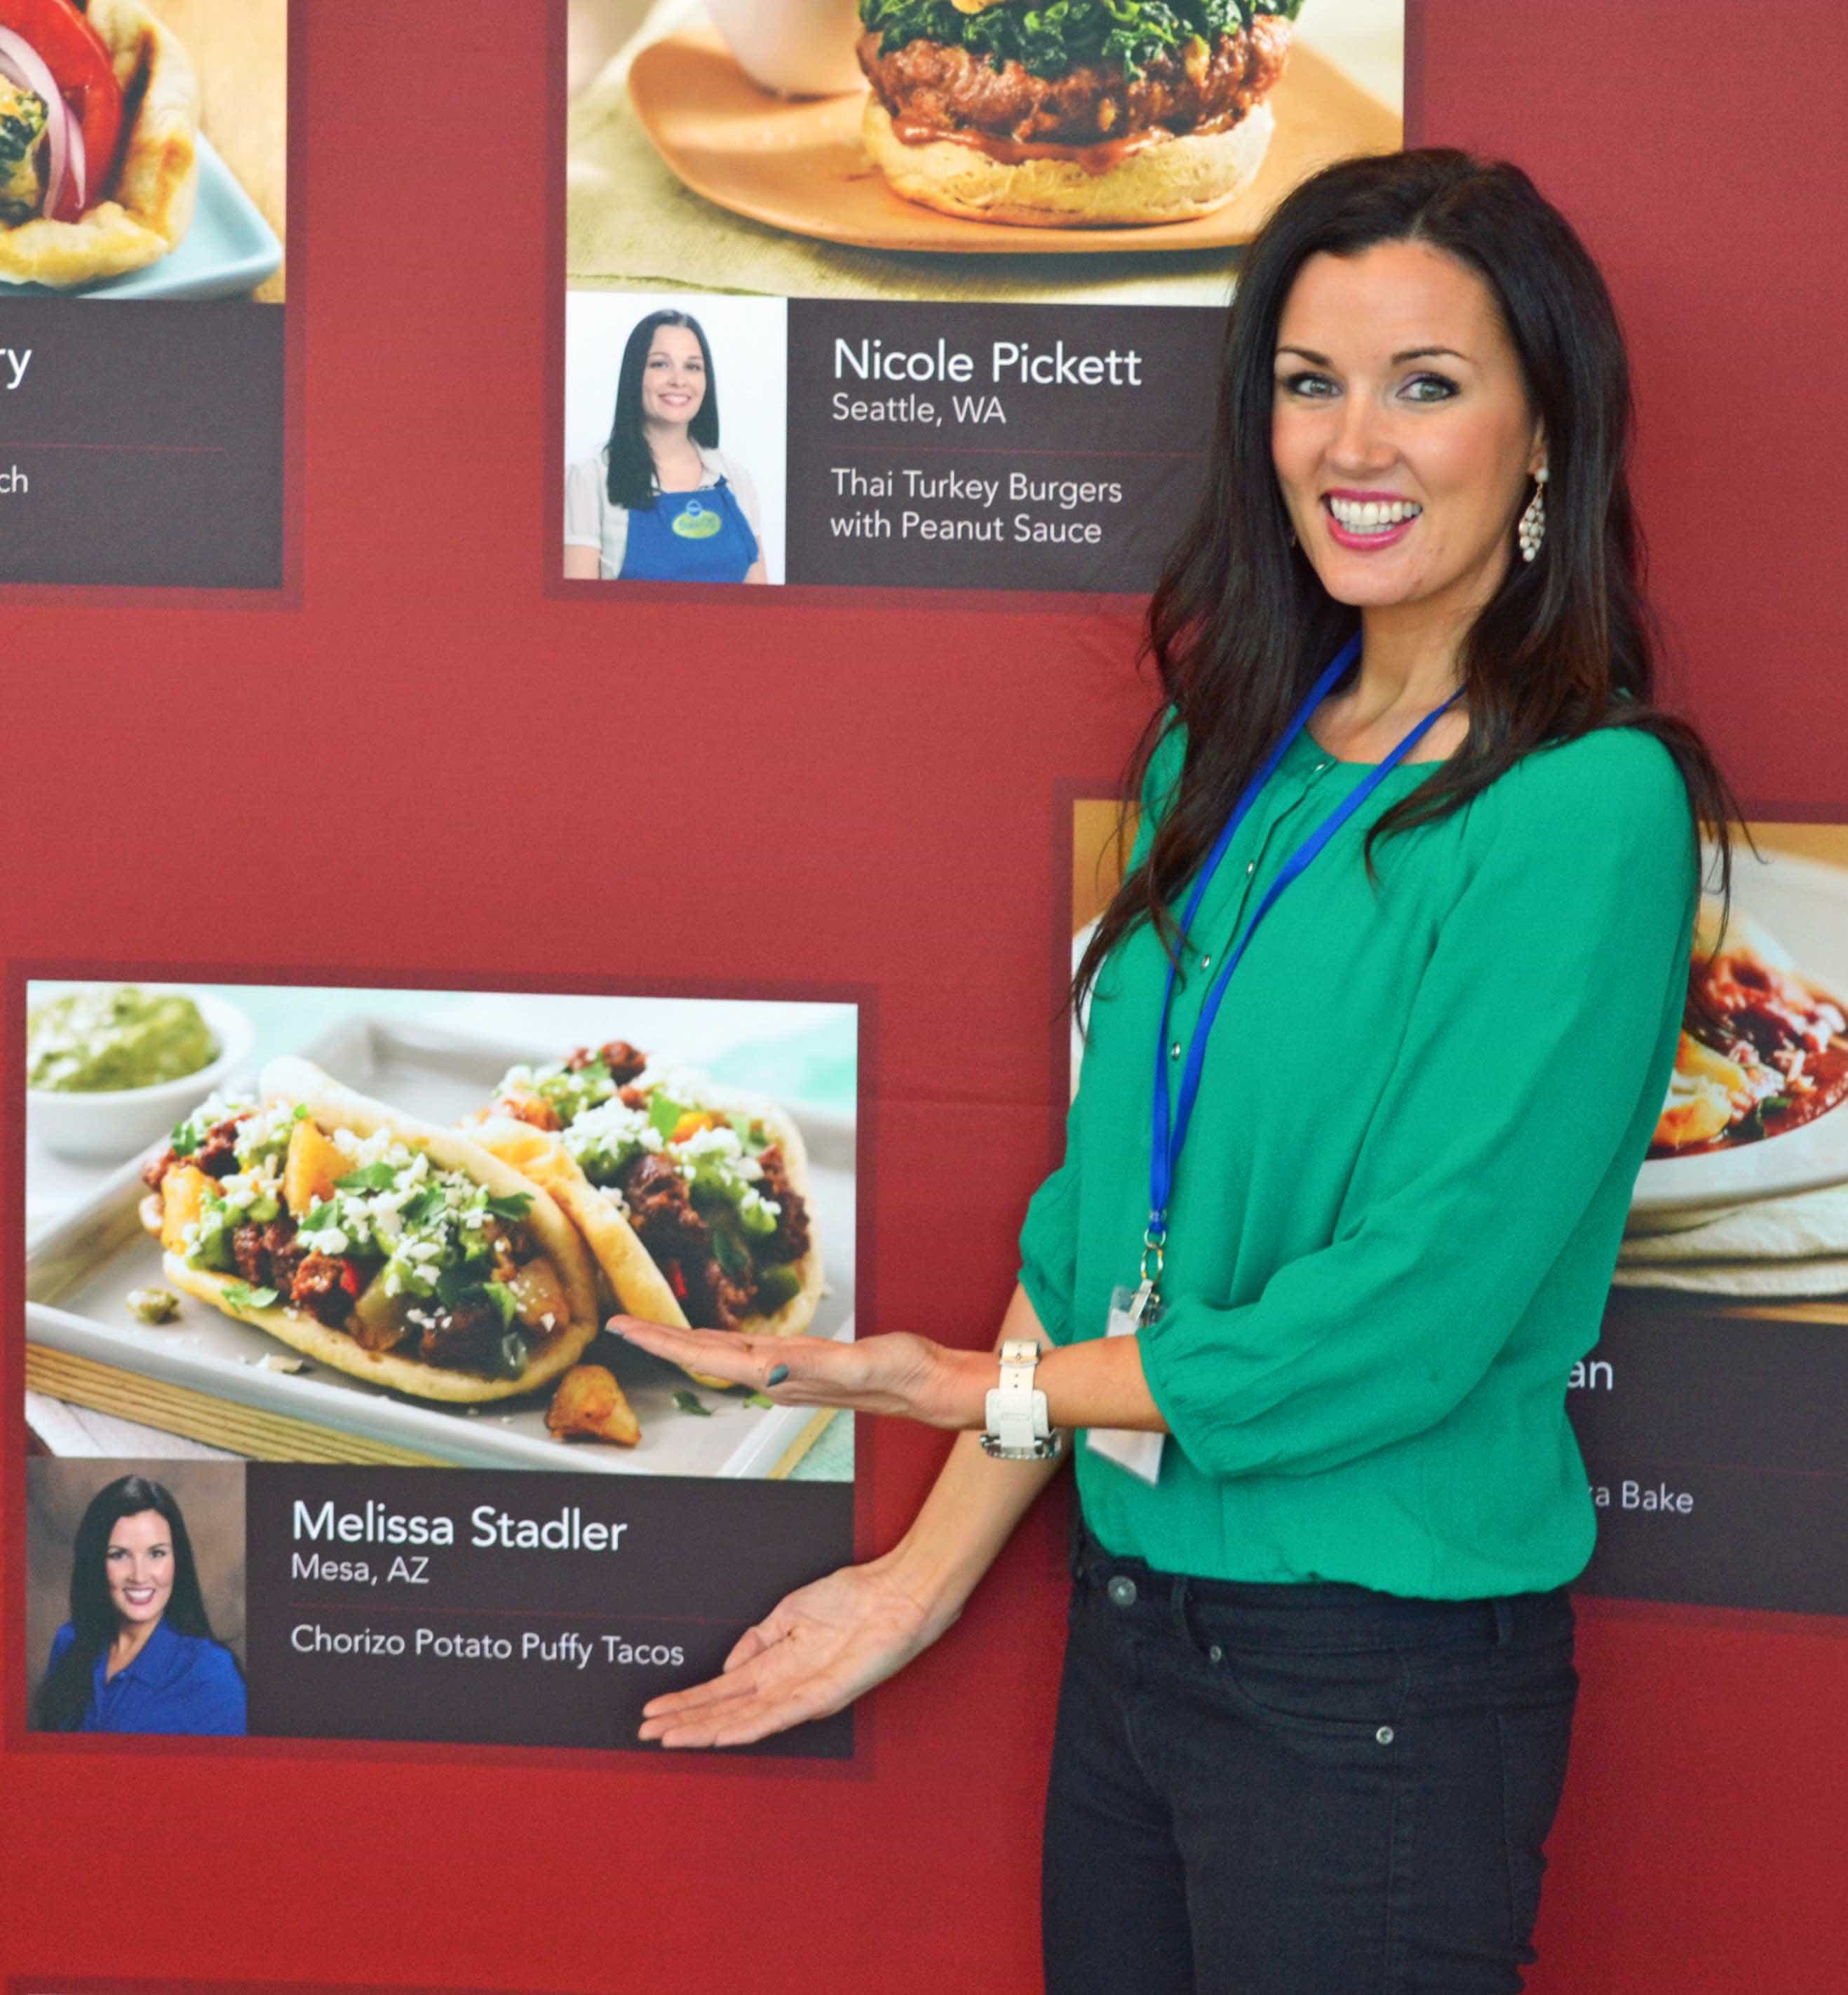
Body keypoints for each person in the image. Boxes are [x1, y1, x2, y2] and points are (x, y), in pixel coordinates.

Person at [613, 149, 1736, 1992]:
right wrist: (923, 1572)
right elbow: (1099, 1219)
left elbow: (1410, 1316)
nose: (1350, 443)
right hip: (1132, 1643)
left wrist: (989, 1385)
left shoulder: (1583, 806)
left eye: (1425, 384)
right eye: (1308, 382)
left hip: (1369, 1682)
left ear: (1546, 438)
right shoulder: (1221, 752)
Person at [32, 1474, 247, 1737]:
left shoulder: (211, 1674)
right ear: (96, 1562)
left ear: (177, 1561)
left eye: (157, 1554)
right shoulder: (70, 1641)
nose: (139, 1575)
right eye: (119, 1555)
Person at [564, 309, 768, 584]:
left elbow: (761, 608)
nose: (679, 380)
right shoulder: (588, 479)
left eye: (693, 367)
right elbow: (577, 615)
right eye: (660, 364)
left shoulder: (735, 479)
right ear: (635, 375)